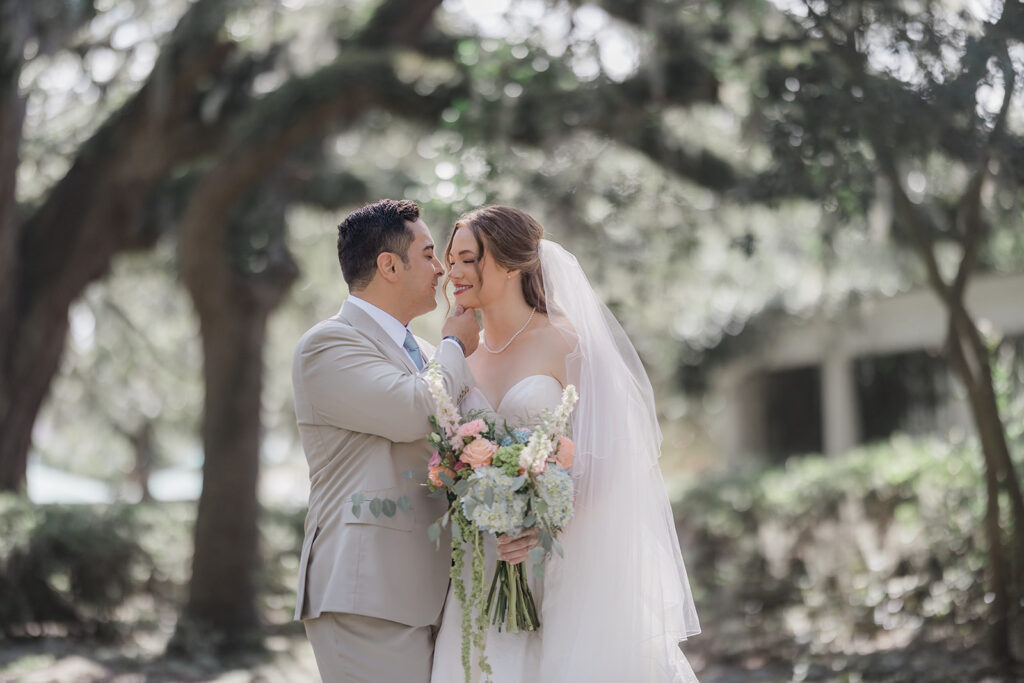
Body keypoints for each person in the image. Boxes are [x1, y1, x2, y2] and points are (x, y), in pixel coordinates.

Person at [431, 206, 701, 682]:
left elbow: (615, 459)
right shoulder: (457, 349)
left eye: (467, 259)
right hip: (482, 560)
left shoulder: (565, 341)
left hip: (562, 559)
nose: (451, 272)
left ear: (512, 263)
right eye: (450, 259)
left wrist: (541, 524)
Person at [291, 199, 538, 682]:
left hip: (432, 595)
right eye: (428, 254)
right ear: (388, 265)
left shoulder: (426, 354)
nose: (443, 269)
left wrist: (521, 510)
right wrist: (454, 345)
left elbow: (483, 444)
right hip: (366, 594)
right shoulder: (330, 344)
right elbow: (414, 413)